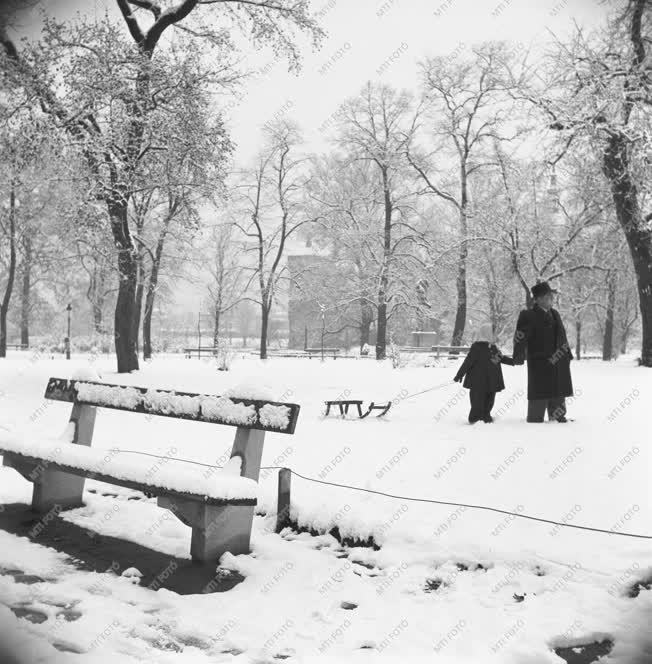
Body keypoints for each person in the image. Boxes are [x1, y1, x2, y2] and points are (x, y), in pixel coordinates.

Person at [512, 281, 574, 423]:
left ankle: (558, 417)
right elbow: (519, 337)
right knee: (539, 395)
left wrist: (567, 354)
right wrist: (518, 356)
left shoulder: (555, 314)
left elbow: (562, 335)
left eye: (552, 297)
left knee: (558, 392)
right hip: (541, 362)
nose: (551, 299)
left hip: (560, 361)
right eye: (548, 297)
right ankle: (535, 418)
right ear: (538, 299)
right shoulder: (528, 315)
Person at [453, 323, 514, 424]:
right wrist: (459, 375)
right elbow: (468, 362)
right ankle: (475, 418)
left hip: (492, 380)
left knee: (490, 399)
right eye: (493, 333)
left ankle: (486, 415)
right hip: (478, 381)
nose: (495, 335)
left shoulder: (493, 347)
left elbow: (500, 358)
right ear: (487, 333)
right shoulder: (476, 347)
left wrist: (513, 361)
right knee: (477, 400)